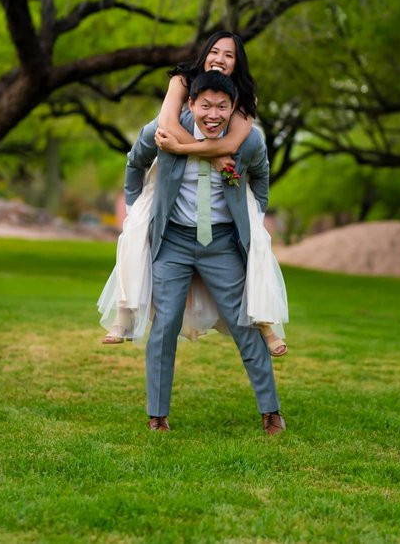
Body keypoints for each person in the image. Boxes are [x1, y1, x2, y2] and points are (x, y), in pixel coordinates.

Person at [97, 32, 288, 356]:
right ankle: (124, 317)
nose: (220, 59)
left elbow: (232, 145)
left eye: (229, 54)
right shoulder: (183, 79)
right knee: (135, 232)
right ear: (205, 54)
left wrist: (187, 149)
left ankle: (266, 326)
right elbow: (167, 124)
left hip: (221, 195)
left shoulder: (243, 95)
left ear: (238, 62)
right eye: (214, 51)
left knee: (257, 242)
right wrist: (200, 154)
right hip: (173, 184)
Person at [124, 69, 284, 434]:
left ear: (233, 109)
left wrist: (255, 216)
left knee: (246, 322)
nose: (214, 115)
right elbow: (135, 162)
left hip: (223, 244)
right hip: (174, 242)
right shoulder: (163, 131)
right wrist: (135, 213)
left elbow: (260, 175)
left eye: (222, 107)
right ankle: (157, 415)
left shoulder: (248, 141)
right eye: (206, 106)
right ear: (191, 103)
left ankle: (271, 411)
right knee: (164, 324)